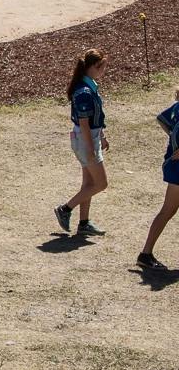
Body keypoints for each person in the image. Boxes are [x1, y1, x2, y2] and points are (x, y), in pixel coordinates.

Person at [56, 49, 109, 240]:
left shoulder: (89, 86)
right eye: (102, 67)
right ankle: (65, 208)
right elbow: (85, 124)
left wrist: (101, 136)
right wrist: (90, 147)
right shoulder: (84, 92)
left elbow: (96, 119)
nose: (103, 71)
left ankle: (84, 223)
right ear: (92, 67)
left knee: (88, 183)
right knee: (101, 183)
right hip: (85, 139)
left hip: (90, 138)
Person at [140, 90, 179, 273]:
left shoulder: (177, 108)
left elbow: (162, 119)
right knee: (168, 210)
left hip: (174, 167)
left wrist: (172, 138)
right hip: (177, 169)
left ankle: (145, 254)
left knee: (167, 210)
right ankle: (145, 254)